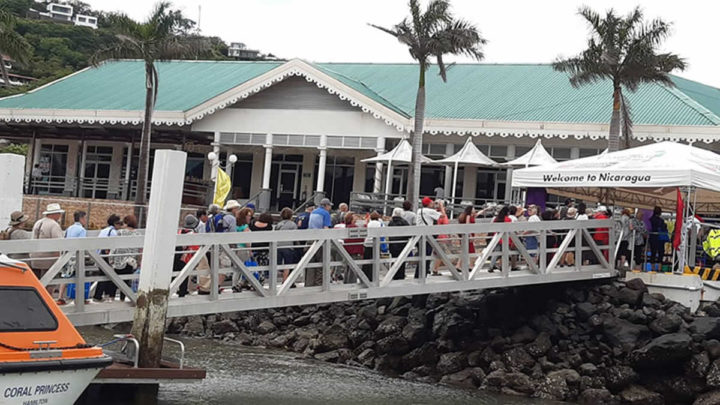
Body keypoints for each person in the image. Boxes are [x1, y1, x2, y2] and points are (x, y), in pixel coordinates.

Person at [57, 211, 87, 305]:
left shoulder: (69, 228)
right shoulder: (82, 230)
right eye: (85, 218)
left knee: (65, 276)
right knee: (80, 276)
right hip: (76, 256)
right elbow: (81, 244)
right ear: (81, 218)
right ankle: (79, 298)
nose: (85, 220)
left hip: (67, 254)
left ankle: (60, 297)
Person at [30, 203, 64, 287]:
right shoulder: (54, 225)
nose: (60, 215)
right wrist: (58, 260)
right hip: (48, 260)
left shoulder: (38, 223)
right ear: (54, 214)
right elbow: (58, 243)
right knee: (50, 283)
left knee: (36, 283)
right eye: (58, 213)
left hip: (35, 258)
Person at [110, 215, 141, 302]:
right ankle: (122, 298)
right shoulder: (137, 234)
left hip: (119, 259)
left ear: (126, 223)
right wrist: (138, 261)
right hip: (130, 260)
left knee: (115, 280)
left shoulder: (120, 232)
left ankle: (112, 297)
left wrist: (111, 258)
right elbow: (138, 249)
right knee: (126, 280)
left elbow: (114, 246)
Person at [93, 214, 122, 302]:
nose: (120, 226)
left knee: (103, 275)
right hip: (107, 255)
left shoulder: (104, 230)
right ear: (115, 223)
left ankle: (100, 295)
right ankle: (100, 296)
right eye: (119, 223)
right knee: (107, 275)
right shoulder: (113, 232)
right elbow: (114, 245)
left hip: (100, 254)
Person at [306, 198, 333, 286]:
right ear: (325, 206)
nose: (330, 207)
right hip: (320, 240)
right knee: (321, 263)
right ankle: (318, 284)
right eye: (329, 206)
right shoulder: (326, 213)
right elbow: (326, 228)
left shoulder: (313, 212)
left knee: (310, 263)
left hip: (310, 238)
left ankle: (308, 284)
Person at [416, 197, 440, 276]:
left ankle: (418, 275)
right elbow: (442, 216)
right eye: (431, 203)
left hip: (419, 236)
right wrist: (441, 206)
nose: (433, 204)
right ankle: (423, 275)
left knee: (421, 257)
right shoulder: (429, 211)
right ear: (429, 204)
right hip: (427, 238)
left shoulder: (419, 210)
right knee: (426, 257)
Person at [275, 208, 298, 283]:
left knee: (278, 263)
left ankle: (276, 279)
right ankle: (285, 280)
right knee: (288, 264)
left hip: (278, 245)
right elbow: (295, 236)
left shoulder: (279, 224)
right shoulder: (293, 225)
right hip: (288, 246)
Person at [388, 207, 410, 280]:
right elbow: (409, 232)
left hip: (392, 244)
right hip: (402, 245)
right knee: (401, 261)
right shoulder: (404, 222)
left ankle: (393, 274)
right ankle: (401, 275)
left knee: (394, 260)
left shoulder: (390, 222)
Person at [489, 206, 512, 272]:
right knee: (505, 254)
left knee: (496, 253)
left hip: (497, 238)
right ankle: (503, 266)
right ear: (507, 212)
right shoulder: (508, 219)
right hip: (505, 239)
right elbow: (509, 229)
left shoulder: (496, 218)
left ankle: (491, 266)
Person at [343, 213, 364, 284]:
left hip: (347, 250)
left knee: (348, 269)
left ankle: (346, 284)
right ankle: (351, 286)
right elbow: (362, 238)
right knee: (354, 271)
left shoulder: (346, 227)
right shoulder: (354, 227)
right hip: (356, 250)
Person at [362, 211, 383, 282]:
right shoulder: (380, 223)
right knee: (375, 260)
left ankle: (365, 276)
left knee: (366, 260)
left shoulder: (369, 223)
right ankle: (373, 277)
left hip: (367, 243)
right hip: (376, 244)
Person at [649, 206, 668, 271]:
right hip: (660, 238)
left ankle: (652, 267)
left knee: (653, 252)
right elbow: (664, 227)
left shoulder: (651, 220)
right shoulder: (661, 221)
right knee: (661, 253)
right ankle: (659, 268)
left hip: (653, 237)